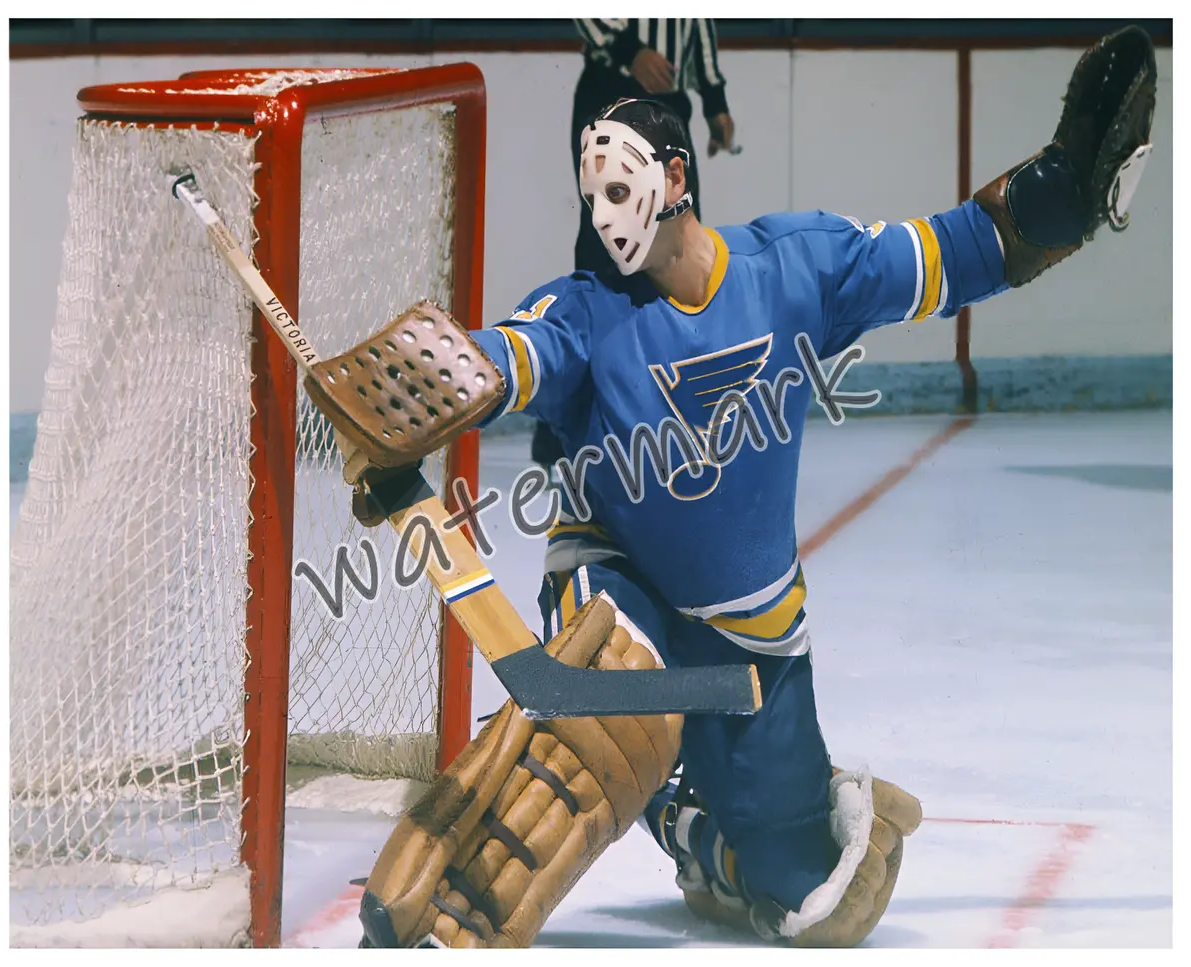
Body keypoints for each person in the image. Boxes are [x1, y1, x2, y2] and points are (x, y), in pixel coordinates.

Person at [355, 27, 1156, 948]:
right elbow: (513, 355)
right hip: (621, 585)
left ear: (677, 178)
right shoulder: (586, 306)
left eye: (621, 188)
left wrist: (1067, 189)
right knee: (606, 704)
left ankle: (693, 825)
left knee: (802, 894)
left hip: (750, 630)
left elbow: (964, 247)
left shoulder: (798, 267)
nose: (606, 214)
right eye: (593, 195)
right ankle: (623, 785)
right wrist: (423, 385)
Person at [530, 17, 739, 478]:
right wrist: (630, 50)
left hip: (667, 102)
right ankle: (571, 410)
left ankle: (676, 406)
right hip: (610, 90)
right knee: (607, 245)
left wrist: (714, 98)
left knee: (676, 245)